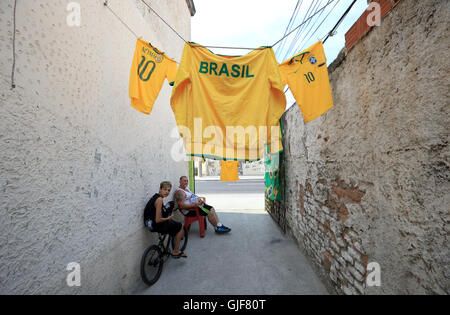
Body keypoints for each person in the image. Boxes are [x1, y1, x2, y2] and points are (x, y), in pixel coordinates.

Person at [144, 181, 187, 258]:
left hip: (149, 223)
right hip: (156, 224)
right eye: (165, 189)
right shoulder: (160, 200)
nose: (167, 192)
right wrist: (168, 218)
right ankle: (176, 251)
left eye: (168, 190)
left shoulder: (155, 197)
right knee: (180, 226)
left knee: (171, 224)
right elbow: (158, 220)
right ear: (160, 189)